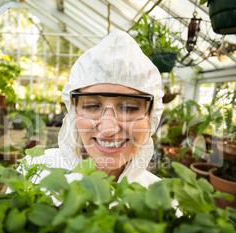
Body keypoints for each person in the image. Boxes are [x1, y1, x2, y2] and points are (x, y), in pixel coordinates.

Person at [12, 29, 164, 189]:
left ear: (152, 116)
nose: (108, 129)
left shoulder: (162, 202)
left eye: (130, 109)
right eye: (92, 106)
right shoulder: (35, 174)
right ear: (73, 111)